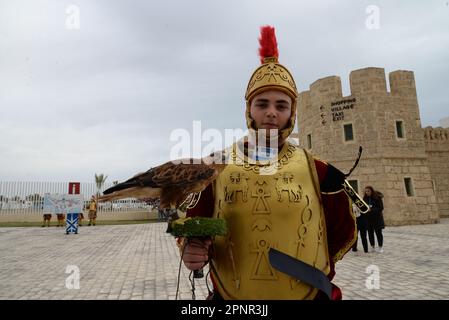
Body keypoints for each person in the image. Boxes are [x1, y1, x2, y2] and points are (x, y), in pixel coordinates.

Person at [178, 26, 357, 300]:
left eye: (281, 106)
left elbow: (342, 230)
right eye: (262, 104)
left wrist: (311, 262)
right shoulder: (216, 167)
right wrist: (192, 249)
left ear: (291, 113)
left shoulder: (319, 172)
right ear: (249, 109)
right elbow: (196, 227)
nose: (271, 113)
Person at [363, 186, 385, 253]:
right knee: (370, 233)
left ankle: (380, 247)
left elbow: (381, 208)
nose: (367, 192)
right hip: (369, 219)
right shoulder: (365, 198)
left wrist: (371, 210)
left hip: (377, 219)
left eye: (368, 191)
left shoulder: (377, 198)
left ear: (371, 191)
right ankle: (372, 246)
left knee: (378, 233)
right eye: (366, 191)